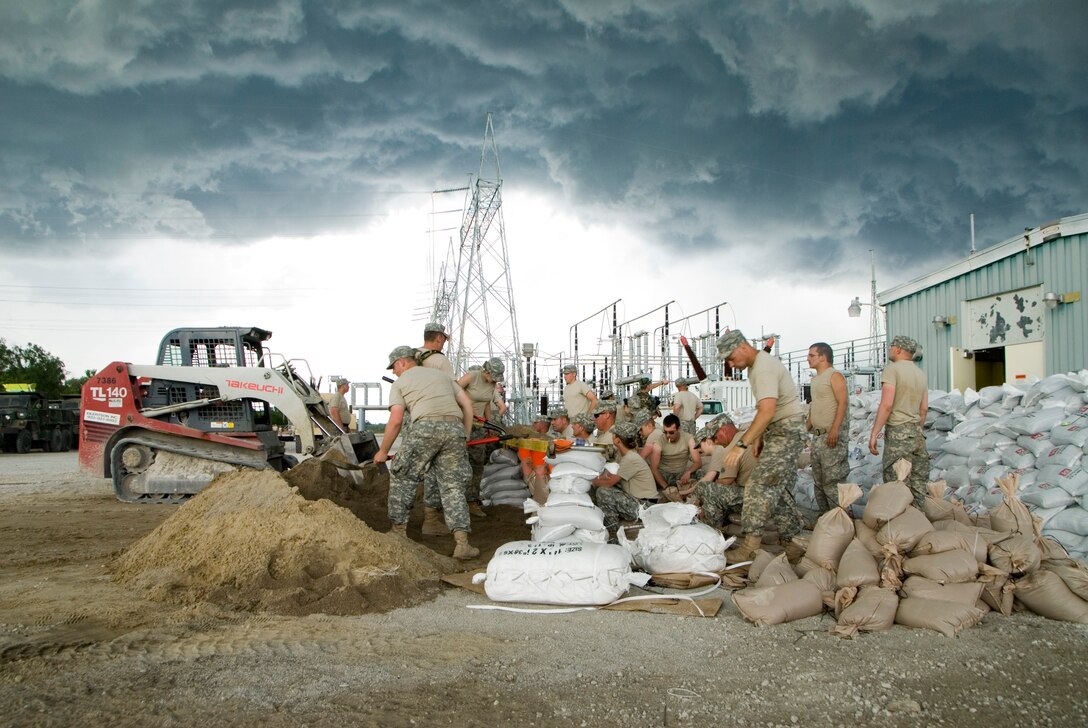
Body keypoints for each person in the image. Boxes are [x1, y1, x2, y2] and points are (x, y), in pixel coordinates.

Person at [373, 346, 478, 560]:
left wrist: (383, 451)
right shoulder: (442, 376)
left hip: (425, 428)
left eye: (394, 366)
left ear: (402, 362)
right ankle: (462, 544)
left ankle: (398, 535)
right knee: (453, 486)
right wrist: (464, 436)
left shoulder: (401, 383)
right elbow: (467, 404)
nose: (393, 372)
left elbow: (396, 420)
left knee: (403, 475)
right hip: (455, 430)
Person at [717, 330, 807, 562]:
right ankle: (793, 543)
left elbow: (768, 411)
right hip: (781, 430)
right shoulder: (757, 367)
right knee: (776, 491)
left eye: (731, 357)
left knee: (757, 486)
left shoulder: (763, 368)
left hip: (786, 431)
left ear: (743, 347)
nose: (730, 363)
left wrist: (741, 445)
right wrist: (759, 438)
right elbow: (764, 409)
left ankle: (750, 547)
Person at [869, 335, 929, 509]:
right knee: (917, 482)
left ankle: (898, 526)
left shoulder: (892, 370)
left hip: (898, 433)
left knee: (896, 482)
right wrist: (916, 429)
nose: (889, 350)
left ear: (898, 349)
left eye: (891, 346)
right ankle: (917, 523)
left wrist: (874, 433)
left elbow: (886, 405)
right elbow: (923, 409)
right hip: (917, 434)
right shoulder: (920, 374)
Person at [688, 416, 759, 528]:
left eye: (715, 438)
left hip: (756, 497)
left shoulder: (732, 448)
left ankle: (710, 529)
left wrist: (703, 501)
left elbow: (725, 482)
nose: (716, 442)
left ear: (724, 431)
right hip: (763, 493)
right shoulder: (743, 438)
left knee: (710, 490)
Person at [457, 358, 505, 517]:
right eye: (494, 376)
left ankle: (471, 501)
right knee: (457, 463)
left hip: (479, 425)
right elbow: (452, 391)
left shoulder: (491, 384)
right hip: (460, 424)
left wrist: (489, 425)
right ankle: (454, 502)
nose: (495, 380)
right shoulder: (472, 376)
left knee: (477, 464)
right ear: (486, 371)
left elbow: (485, 404)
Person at [589, 422, 658, 532]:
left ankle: (612, 531)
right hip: (639, 501)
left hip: (645, 506)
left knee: (603, 492)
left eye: (614, 435)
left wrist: (591, 481)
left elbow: (609, 483)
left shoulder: (630, 458)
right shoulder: (627, 456)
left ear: (617, 440)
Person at [807, 342, 850, 514]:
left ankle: (841, 519)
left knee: (833, 481)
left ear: (823, 357)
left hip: (831, 437)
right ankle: (826, 519)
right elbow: (815, 407)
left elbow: (843, 402)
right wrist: (804, 430)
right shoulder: (816, 379)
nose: (808, 359)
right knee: (819, 482)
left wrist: (835, 429)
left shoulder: (834, 376)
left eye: (811, 355)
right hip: (818, 438)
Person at [646, 414, 701, 499]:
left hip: (681, 474)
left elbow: (698, 462)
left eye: (671, 432)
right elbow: (654, 468)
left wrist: (688, 472)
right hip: (664, 474)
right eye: (665, 432)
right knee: (646, 477)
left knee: (701, 473)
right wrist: (666, 487)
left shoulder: (688, 438)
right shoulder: (660, 441)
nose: (668, 435)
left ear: (678, 429)